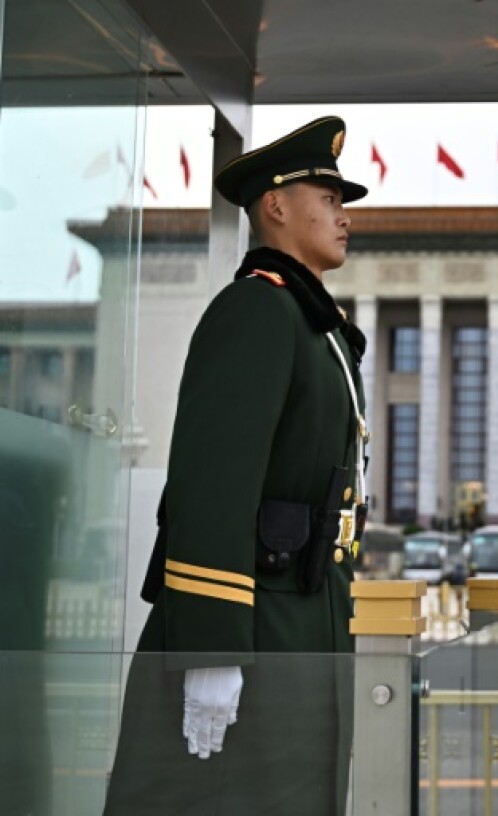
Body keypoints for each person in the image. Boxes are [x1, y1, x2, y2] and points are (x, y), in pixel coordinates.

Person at [104, 117, 370, 816]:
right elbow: (213, 485)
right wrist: (211, 649)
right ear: (276, 207)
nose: (344, 217)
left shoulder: (314, 328)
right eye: (330, 198)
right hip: (255, 622)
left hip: (304, 613)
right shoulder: (257, 310)